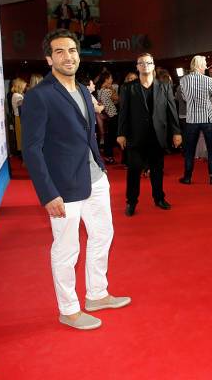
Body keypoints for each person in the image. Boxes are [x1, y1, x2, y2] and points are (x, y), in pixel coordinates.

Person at [21, 29, 129, 330]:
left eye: (72, 50)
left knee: (102, 235)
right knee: (67, 248)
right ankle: (68, 309)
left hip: (94, 177)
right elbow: (31, 150)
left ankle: (96, 294)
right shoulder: (39, 96)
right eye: (59, 51)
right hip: (64, 186)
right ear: (48, 58)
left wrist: (100, 166)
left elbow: (87, 133)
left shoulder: (82, 89)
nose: (68, 56)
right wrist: (47, 193)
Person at [117, 53, 182, 216]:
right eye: (141, 63)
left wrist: (176, 132)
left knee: (157, 170)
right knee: (134, 170)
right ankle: (131, 202)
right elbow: (123, 112)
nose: (145, 65)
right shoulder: (127, 87)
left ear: (153, 66)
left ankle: (159, 198)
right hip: (135, 136)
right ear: (137, 67)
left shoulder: (165, 85)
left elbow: (171, 110)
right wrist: (121, 133)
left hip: (157, 136)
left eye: (148, 62)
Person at [178, 55, 212, 185]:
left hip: (191, 119)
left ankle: (187, 177)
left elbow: (185, 98)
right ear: (198, 65)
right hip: (207, 118)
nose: (206, 66)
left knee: (189, 150)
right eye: (204, 64)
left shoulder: (184, 80)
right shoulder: (208, 80)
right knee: (211, 149)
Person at [96, 71, 120, 163]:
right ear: (106, 79)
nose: (112, 79)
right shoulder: (108, 90)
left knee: (108, 136)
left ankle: (108, 155)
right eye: (110, 78)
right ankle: (109, 156)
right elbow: (117, 99)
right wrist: (113, 90)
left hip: (106, 114)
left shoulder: (100, 90)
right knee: (110, 136)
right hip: (112, 115)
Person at [10, 78, 27, 154]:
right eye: (23, 86)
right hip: (20, 118)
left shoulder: (15, 95)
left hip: (18, 117)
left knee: (21, 137)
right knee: (22, 137)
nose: (24, 88)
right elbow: (24, 108)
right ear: (19, 86)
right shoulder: (18, 96)